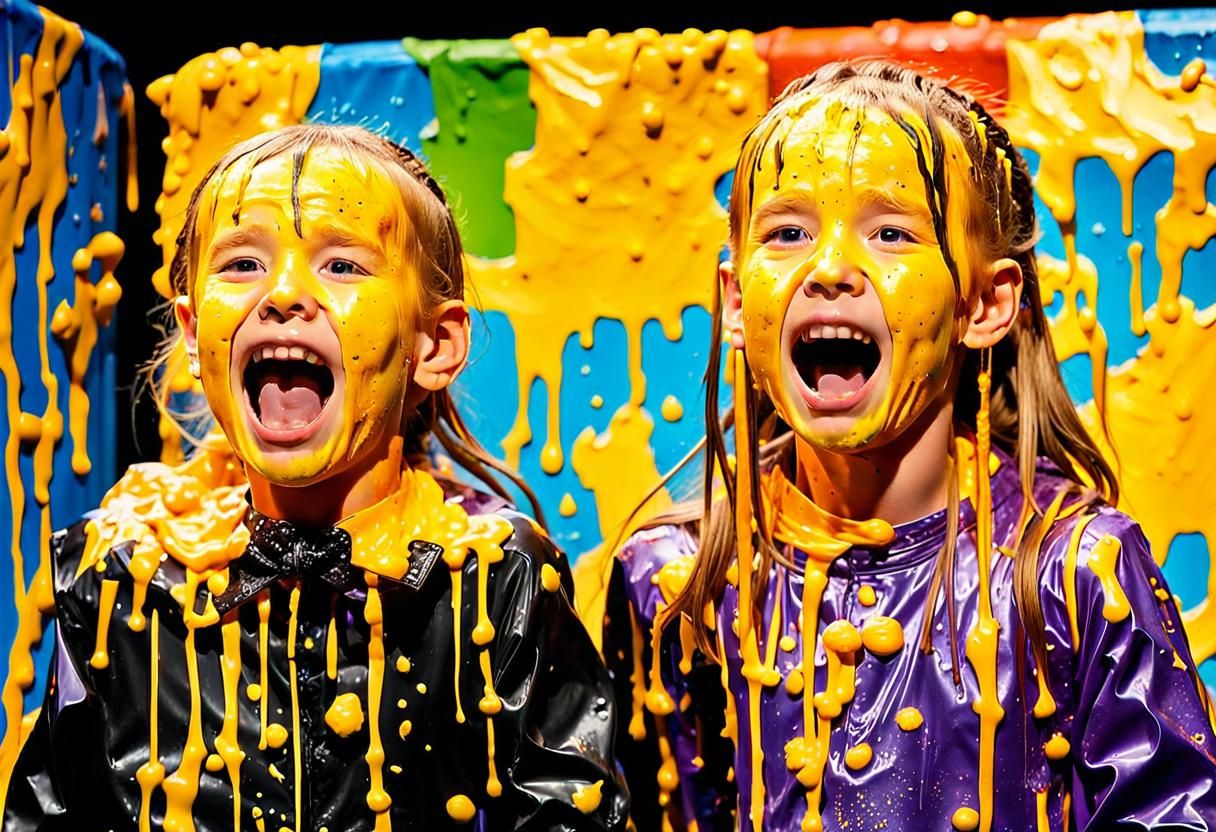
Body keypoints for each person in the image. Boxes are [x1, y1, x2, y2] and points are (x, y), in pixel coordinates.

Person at [602, 61, 1216, 832]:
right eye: (788, 232)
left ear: (986, 304)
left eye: (891, 232)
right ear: (733, 300)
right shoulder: (677, 586)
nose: (829, 270)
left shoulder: (1075, 575)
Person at [4, 124, 627, 831]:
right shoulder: (122, 570)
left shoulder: (492, 577)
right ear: (192, 332)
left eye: (343, 266)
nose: (284, 295)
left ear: (437, 345)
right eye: (241, 265)